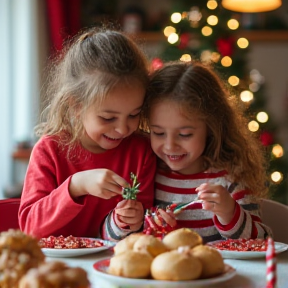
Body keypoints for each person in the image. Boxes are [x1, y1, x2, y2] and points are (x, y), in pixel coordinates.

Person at [19, 28, 156, 241]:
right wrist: (75, 186)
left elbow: (147, 228)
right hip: (57, 271)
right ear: (76, 105)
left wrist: (134, 220)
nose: (122, 129)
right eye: (108, 118)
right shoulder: (49, 150)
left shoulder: (141, 151)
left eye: (134, 114)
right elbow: (29, 227)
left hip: (114, 270)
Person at [142, 61, 271, 243]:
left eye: (185, 134)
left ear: (210, 127)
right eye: (158, 133)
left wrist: (230, 213)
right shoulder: (147, 173)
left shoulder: (231, 178)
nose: (170, 145)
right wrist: (153, 227)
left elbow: (263, 241)